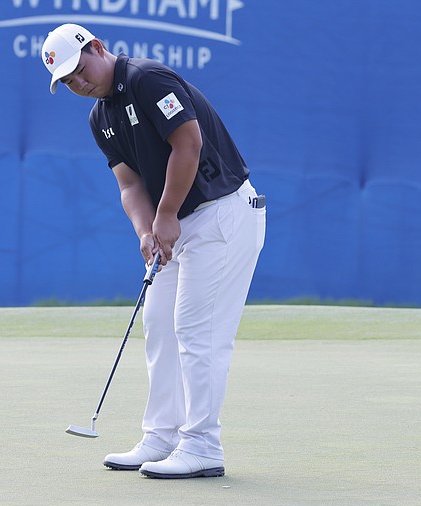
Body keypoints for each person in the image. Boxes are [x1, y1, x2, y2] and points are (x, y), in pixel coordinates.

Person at [41, 24, 265, 479]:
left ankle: (202, 445)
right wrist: (147, 229)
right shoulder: (98, 117)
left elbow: (188, 143)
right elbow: (128, 183)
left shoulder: (147, 79)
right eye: (68, 81)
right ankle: (161, 437)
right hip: (178, 223)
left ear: (97, 48)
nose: (78, 84)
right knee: (159, 325)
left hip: (221, 213)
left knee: (196, 331)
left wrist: (165, 216)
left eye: (79, 70)